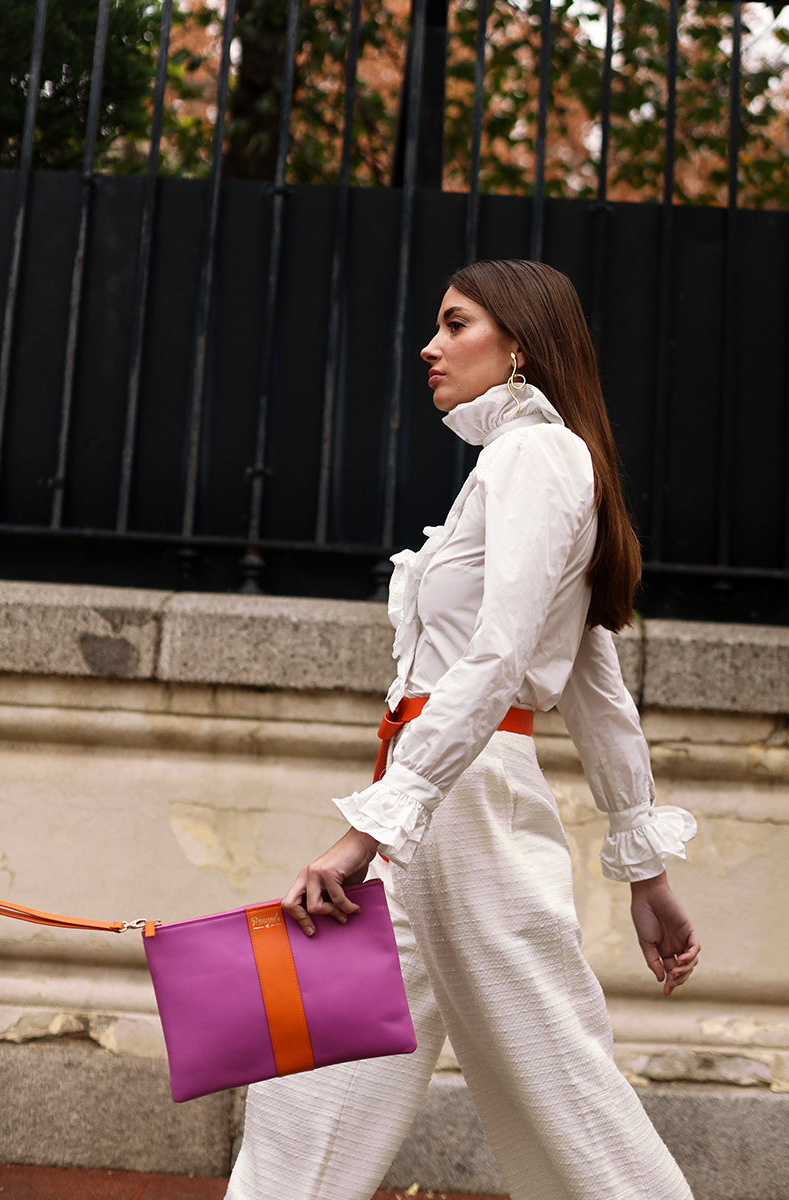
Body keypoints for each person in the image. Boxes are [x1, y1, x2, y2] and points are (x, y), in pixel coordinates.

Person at [226, 259, 700, 1200]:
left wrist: (369, 829)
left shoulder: (535, 456)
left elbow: (501, 656)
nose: (428, 346)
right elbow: (596, 690)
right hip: (434, 800)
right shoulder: (530, 465)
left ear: (519, 343)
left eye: (454, 324)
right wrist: (645, 871)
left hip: (458, 805)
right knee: (311, 1087)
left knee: (560, 1081)